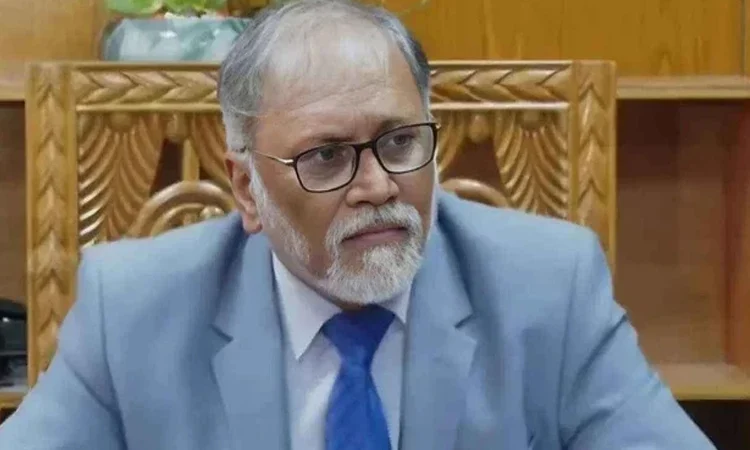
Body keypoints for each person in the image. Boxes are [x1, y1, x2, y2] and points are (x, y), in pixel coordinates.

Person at [0, 1, 715, 449]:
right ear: (248, 188)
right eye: (327, 156)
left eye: (400, 142)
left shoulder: (551, 288)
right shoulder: (130, 309)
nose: (377, 186)